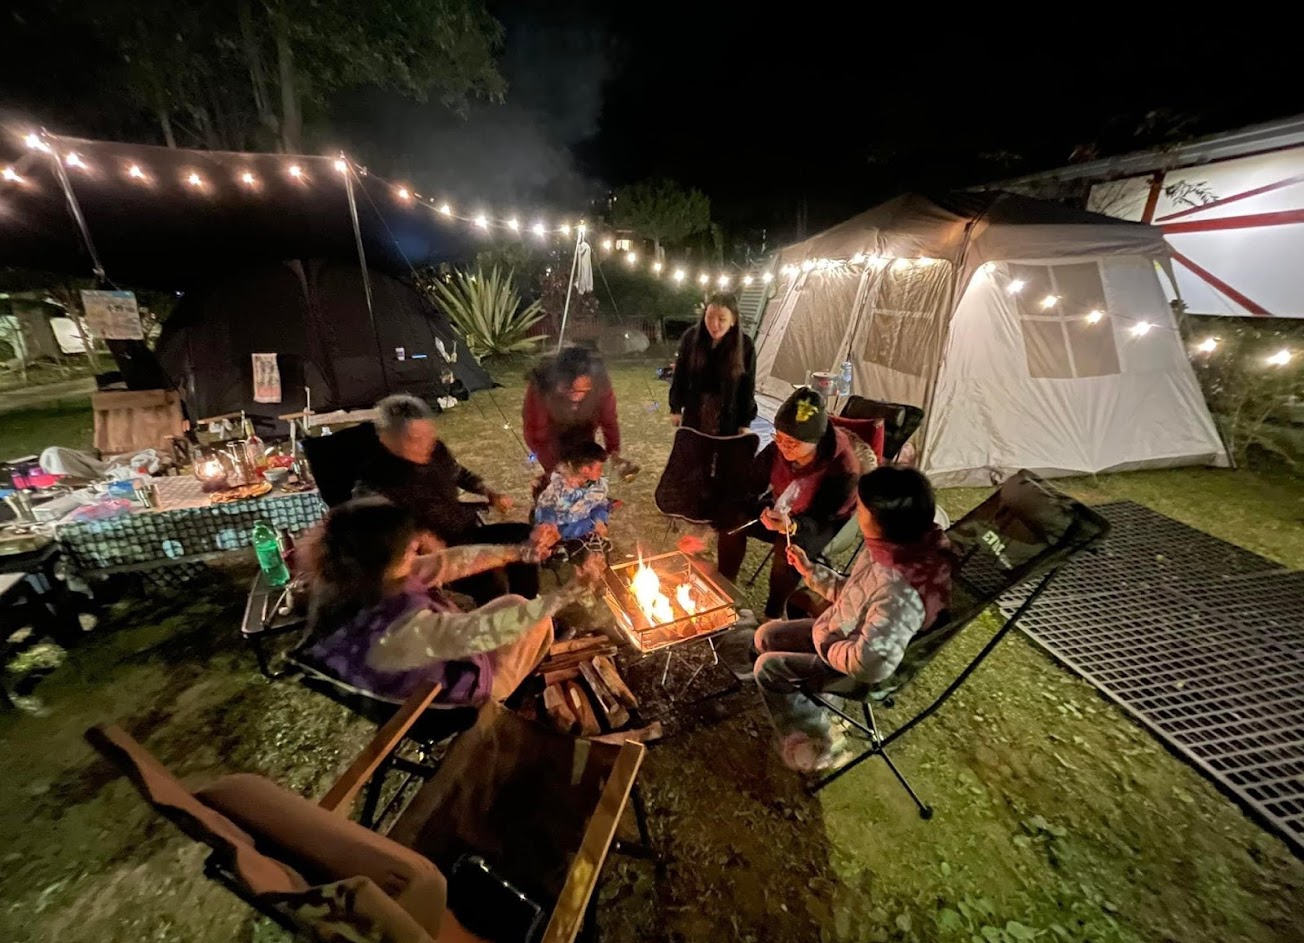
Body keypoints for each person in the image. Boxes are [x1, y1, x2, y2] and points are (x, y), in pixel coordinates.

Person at [301, 497, 604, 706]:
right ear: (384, 559)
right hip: (442, 702)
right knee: (538, 623)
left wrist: (519, 552)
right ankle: (509, 698)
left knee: (513, 601)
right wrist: (569, 593)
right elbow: (484, 631)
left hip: (418, 668)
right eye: (409, 547)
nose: (417, 544)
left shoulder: (355, 577)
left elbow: (445, 563)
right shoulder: (399, 629)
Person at [753, 466, 953, 771]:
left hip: (854, 665)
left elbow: (870, 663)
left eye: (860, 508)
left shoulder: (902, 591)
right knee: (766, 636)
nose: (856, 513)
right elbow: (855, 594)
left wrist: (827, 646)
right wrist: (811, 571)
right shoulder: (890, 547)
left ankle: (816, 740)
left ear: (881, 520)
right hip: (841, 631)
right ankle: (815, 702)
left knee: (767, 669)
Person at [354, 394, 537, 604]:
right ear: (388, 439)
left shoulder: (435, 450)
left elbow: (457, 473)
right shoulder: (374, 478)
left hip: (464, 531)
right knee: (487, 575)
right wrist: (417, 537)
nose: (427, 445)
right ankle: (499, 616)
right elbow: (372, 526)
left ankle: (528, 606)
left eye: (429, 436)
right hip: (432, 556)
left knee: (525, 538)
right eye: (416, 439)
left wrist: (489, 493)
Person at [715, 387, 859, 618]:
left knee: (790, 546)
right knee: (734, 516)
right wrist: (741, 505)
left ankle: (773, 613)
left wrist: (792, 525)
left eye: (792, 443)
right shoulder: (779, 448)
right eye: (778, 437)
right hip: (783, 506)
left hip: (823, 522)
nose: (783, 446)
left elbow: (822, 517)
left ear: (816, 440)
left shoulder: (842, 467)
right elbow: (751, 483)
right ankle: (724, 588)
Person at [523, 347, 624, 485]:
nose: (577, 395)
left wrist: (613, 450)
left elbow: (609, 419)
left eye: (583, 390)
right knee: (561, 479)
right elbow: (536, 434)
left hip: (585, 427)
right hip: (553, 433)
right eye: (571, 390)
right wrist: (555, 468)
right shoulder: (542, 387)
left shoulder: (600, 383)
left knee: (584, 471)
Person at [668, 291, 757, 436]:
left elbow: (747, 386)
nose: (714, 324)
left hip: (728, 416)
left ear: (733, 320)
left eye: (722, 319)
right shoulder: (691, 338)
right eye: (709, 317)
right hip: (695, 412)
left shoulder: (745, 345)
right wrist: (675, 408)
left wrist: (744, 423)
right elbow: (680, 375)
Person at [533, 440, 614, 546]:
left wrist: (599, 520)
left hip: (585, 530)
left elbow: (599, 504)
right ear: (585, 470)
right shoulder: (558, 488)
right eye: (599, 469)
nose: (601, 472)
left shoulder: (597, 486)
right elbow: (546, 507)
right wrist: (549, 525)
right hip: (560, 533)